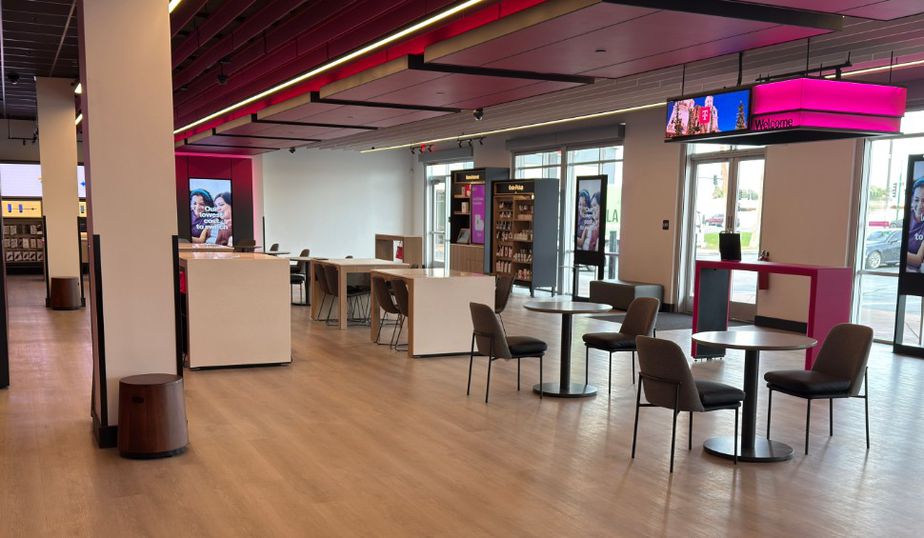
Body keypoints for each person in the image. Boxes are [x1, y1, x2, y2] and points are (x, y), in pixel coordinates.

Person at [906, 178, 924, 271]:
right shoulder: (907, 216)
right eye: (917, 200)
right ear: (912, 200)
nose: (920, 205)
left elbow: (918, 259)